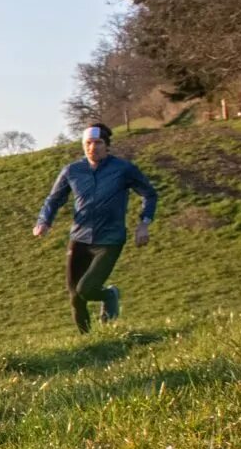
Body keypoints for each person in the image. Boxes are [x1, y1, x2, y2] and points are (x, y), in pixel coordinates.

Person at [33, 123, 156, 332]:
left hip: (109, 240)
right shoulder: (72, 171)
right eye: (88, 143)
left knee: (86, 289)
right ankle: (87, 343)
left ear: (107, 145)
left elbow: (149, 194)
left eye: (98, 143)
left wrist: (144, 223)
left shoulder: (123, 169)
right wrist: (44, 221)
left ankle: (109, 295)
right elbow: (53, 200)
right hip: (79, 238)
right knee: (75, 295)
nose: (93, 147)